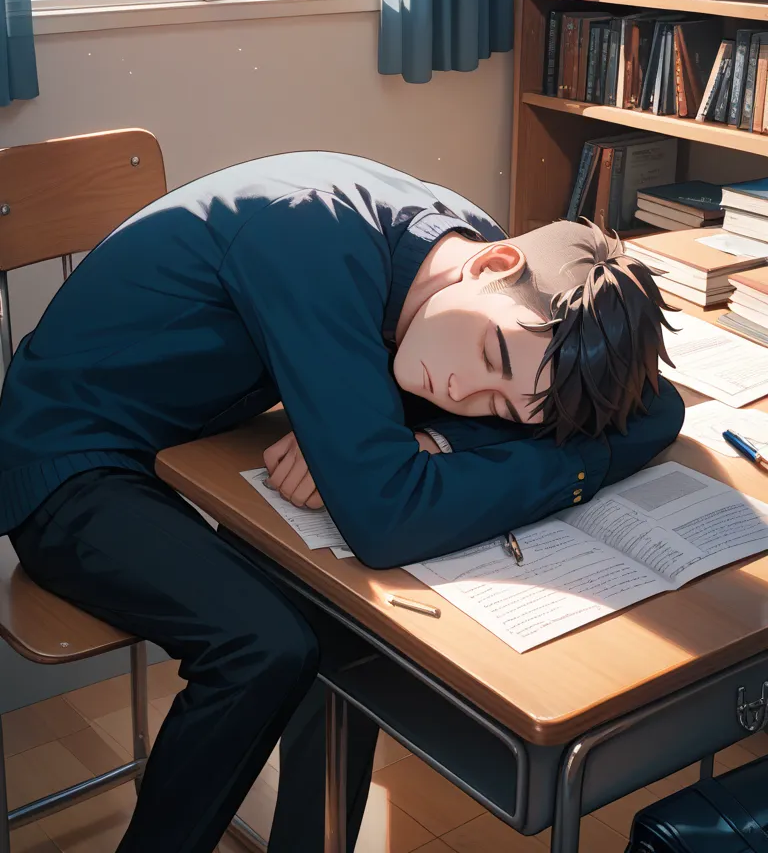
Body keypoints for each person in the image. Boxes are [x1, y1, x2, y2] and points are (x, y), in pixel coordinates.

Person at [0, 150, 684, 852]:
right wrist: (565, 465)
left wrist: (431, 440)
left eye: (506, 409)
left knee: (335, 625)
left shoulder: (470, 260)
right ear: (491, 265)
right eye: (492, 360)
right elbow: (385, 518)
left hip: (199, 436)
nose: (462, 395)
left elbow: (661, 409)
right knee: (264, 648)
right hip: (67, 449)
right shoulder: (312, 237)